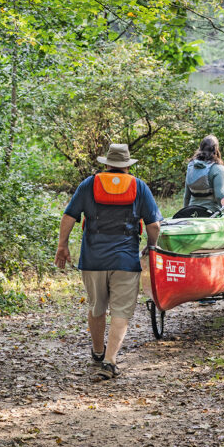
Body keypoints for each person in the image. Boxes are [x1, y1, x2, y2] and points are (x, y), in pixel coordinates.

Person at [54, 143, 161, 381]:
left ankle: (98, 351)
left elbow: (69, 215)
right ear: (126, 165)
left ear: (107, 163)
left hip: (93, 259)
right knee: (121, 311)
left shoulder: (88, 184)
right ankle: (110, 361)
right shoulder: (139, 187)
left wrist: (62, 246)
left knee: (97, 306)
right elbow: (153, 225)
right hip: (125, 259)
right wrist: (152, 248)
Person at [183, 134, 224, 212]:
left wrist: (185, 213)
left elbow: (187, 196)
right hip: (211, 213)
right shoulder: (218, 168)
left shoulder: (191, 166)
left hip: (191, 212)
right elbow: (219, 196)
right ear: (216, 149)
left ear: (200, 148)